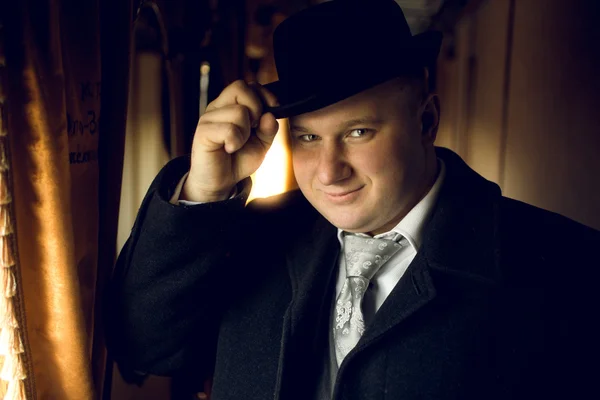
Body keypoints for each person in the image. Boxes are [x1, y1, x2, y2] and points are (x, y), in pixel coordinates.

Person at [105, 0, 600, 399]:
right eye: (307, 138)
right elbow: (142, 347)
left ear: (426, 121)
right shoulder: (249, 235)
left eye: (359, 132)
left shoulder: (567, 266)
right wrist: (204, 190)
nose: (328, 171)